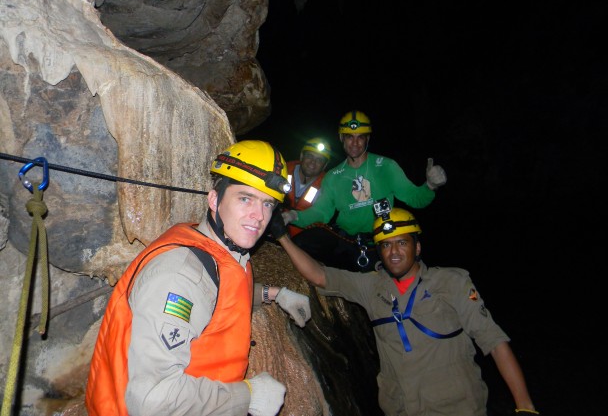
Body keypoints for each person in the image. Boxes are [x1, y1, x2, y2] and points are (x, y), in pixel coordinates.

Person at [85, 140, 312, 416]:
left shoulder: (222, 248)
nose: (259, 216)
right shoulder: (179, 276)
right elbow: (151, 400)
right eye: (245, 199)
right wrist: (248, 396)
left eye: (267, 204)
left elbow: (219, 295)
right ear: (214, 199)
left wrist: (274, 294)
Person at [271, 206, 539, 416]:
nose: (394, 252)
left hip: (457, 408)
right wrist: (283, 236)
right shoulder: (371, 286)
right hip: (401, 409)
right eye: (386, 245)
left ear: (417, 247)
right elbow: (320, 276)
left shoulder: (452, 283)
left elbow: (494, 342)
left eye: (402, 243)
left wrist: (525, 406)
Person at [283, 110, 447, 273]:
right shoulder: (333, 176)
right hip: (346, 241)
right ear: (341, 138)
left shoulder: (386, 166)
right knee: (302, 242)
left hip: (380, 241)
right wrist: (293, 216)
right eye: (349, 136)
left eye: (360, 137)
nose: (355, 143)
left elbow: (415, 198)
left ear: (367, 139)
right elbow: (321, 212)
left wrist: (430, 185)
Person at [283, 137, 332, 238]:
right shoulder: (283, 170)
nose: (313, 162)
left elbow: (321, 213)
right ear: (302, 156)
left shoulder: (327, 185)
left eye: (319, 160)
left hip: (303, 238)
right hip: (274, 229)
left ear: (325, 165)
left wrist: (293, 216)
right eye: (310, 156)